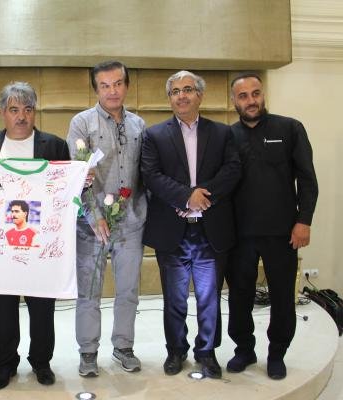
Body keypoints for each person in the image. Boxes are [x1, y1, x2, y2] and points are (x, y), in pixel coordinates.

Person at [0, 81, 70, 390]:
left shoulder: (55, 146)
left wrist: (82, 180)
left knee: (42, 308)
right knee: (3, 309)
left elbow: (64, 189)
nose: (21, 116)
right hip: (0, 244)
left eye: (28, 109)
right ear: (2, 112)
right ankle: (5, 364)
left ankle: (41, 362)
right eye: (14, 109)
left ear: (35, 112)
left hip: (41, 242)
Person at [140, 70, 240, 379]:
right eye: (175, 91)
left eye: (188, 89)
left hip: (210, 231)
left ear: (200, 95)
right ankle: (176, 350)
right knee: (174, 298)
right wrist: (187, 197)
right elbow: (151, 176)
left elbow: (233, 169)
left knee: (210, 298)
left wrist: (202, 197)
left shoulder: (222, 133)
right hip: (173, 232)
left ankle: (206, 352)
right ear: (169, 98)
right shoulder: (154, 135)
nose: (181, 96)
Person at [225, 73, 318, 380]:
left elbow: (307, 180)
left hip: (282, 232)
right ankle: (244, 349)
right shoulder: (228, 137)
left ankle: (277, 352)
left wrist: (304, 221)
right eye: (243, 96)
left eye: (255, 93)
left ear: (262, 94)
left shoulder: (290, 128)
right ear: (234, 101)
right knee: (239, 296)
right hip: (239, 235)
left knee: (281, 297)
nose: (251, 100)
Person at [66, 60, 147, 377]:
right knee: (89, 292)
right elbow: (77, 176)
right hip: (91, 225)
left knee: (128, 290)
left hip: (131, 222)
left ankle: (123, 346)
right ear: (96, 89)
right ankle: (88, 352)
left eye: (118, 84)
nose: (112, 91)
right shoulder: (81, 123)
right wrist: (94, 215)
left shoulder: (139, 125)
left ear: (126, 86)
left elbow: (146, 173)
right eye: (105, 85)